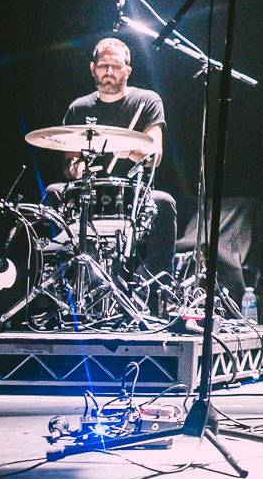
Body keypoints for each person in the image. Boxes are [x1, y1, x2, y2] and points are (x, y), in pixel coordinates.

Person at [55, 36, 177, 289]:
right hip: (89, 194)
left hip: (133, 196)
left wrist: (130, 150)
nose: (109, 72)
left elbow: (155, 155)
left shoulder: (146, 101)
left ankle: (156, 290)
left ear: (127, 71)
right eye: (103, 66)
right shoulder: (79, 108)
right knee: (52, 192)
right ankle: (58, 282)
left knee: (164, 203)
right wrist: (76, 169)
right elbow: (69, 161)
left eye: (117, 66)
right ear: (93, 68)